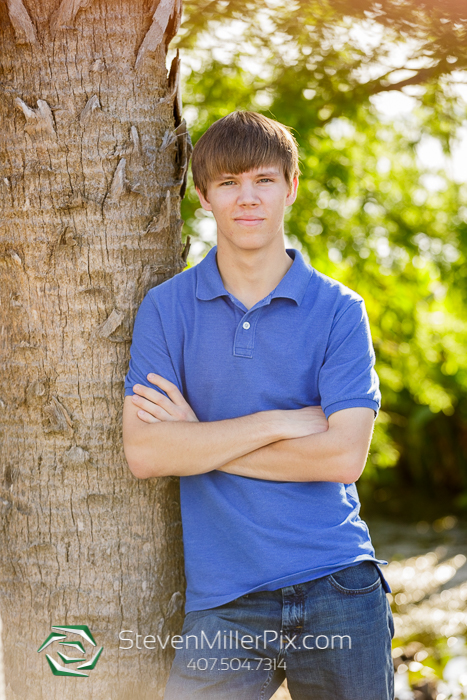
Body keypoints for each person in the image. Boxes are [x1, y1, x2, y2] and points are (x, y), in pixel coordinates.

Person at [122, 110, 394, 700]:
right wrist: (275, 423)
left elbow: (343, 457)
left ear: (290, 188)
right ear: (203, 196)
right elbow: (146, 452)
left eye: (264, 180)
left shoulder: (340, 311)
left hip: (338, 585)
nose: (247, 199)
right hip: (226, 598)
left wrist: (198, 442)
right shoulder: (166, 310)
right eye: (228, 183)